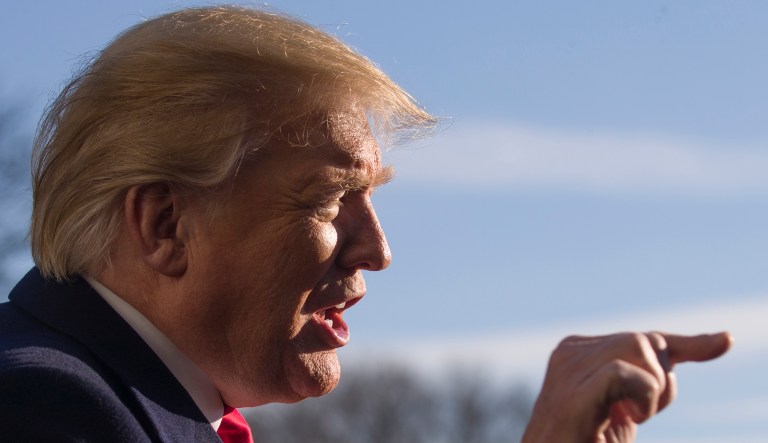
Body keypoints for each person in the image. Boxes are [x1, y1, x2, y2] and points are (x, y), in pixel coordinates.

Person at [0, 5, 731, 443]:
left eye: (373, 197)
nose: (378, 249)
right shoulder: (50, 409)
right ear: (165, 224)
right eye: (329, 199)